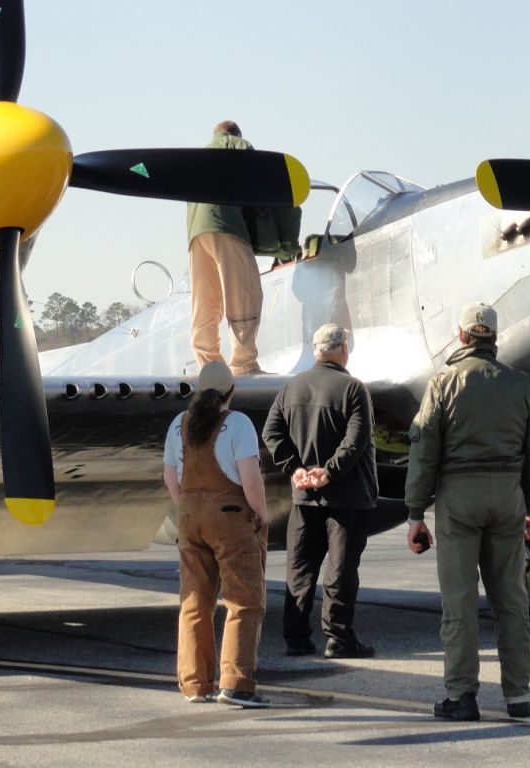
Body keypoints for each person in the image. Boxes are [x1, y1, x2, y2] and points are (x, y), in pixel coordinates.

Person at [405, 302, 530, 722]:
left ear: (462, 336)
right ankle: (519, 696)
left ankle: (462, 696)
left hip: (459, 502)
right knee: (512, 601)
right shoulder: (522, 385)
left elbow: (424, 452)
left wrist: (415, 512)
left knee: (459, 603)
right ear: (494, 338)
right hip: (507, 500)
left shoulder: (444, 383)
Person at [262, 323, 378, 659]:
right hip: (347, 497)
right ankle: (338, 637)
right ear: (343, 349)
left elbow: (272, 433)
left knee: (300, 567)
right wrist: (328, 473)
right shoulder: (354, 389)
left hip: (303, 497)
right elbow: (356, 441)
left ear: (315, 351)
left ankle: (296, 637)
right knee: (340, 568)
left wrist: (296, 469)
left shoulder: (291, 388)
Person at [162, 360, 271, 708]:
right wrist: (262, 514)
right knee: (243, 599)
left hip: (190, 516)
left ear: (198, 391)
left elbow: (170, 478)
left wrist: (188, 506)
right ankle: (236, 684)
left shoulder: (178, 425)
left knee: (194, 601)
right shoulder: (238, 423)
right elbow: (250, 479)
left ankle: (195, 684)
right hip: (229, 519)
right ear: (231, 392)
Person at [186, 120, 264, 376]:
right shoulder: (238, 145)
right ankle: (244, 363)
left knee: (205, 299)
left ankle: (209, 365)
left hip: (196, 235)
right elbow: (257, 183)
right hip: (228, 227)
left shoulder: (198, 159)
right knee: (244, 294)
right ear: (235, 134)